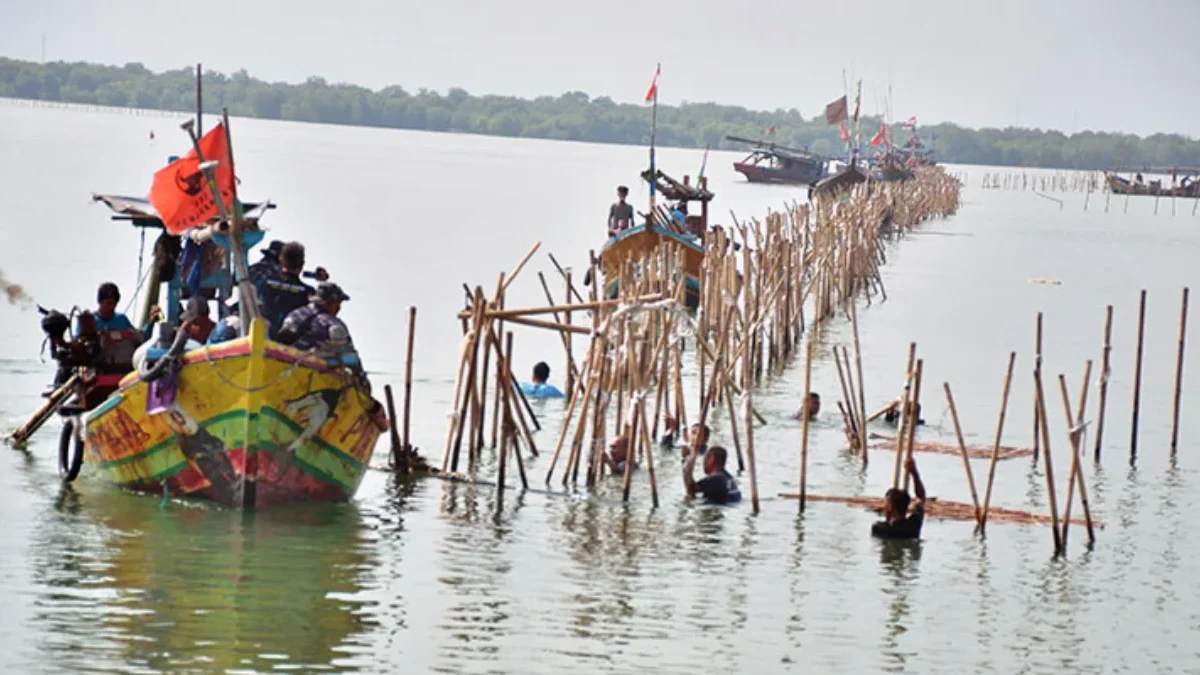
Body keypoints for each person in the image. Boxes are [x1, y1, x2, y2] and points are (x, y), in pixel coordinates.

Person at [276, 282, 353, 352]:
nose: (339, 308)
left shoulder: (297, 313)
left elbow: (282, 337)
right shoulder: (334, 323)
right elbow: (348, 355)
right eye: (337, 304)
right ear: (327, 303)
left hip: (286, 356)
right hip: (316, 361)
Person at [259, 241, 314, 338]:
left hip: (264, 337)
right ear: (302, 265)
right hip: (292, 342)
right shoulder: (309, 292)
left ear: (280, 260)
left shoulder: (265, 283)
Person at [871, 457, 926, 539]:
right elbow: (921, 498)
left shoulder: (879, 528)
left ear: (890, 507)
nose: (883, 507)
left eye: (885, 504)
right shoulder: (913, 526)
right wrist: (914, 472)